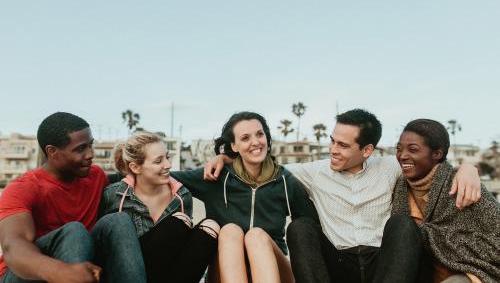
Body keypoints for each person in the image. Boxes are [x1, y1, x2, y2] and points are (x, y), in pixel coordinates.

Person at [205, 108, 481, 283]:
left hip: (381, 264)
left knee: (403, 224)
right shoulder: (313, 171)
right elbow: (260, 163)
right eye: (332, 141)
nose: (333, 150)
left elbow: (431, 164)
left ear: (367, 150)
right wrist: (225, 158)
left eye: (343, 145)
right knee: (300, 227)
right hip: (338, 264)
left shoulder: (389, 166)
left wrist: (467, 169)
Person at [170, 111, 318, 283]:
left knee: (256, 236)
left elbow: (310, 226)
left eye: (260, 134)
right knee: (229, 230)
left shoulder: (285, 181)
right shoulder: (216, 176)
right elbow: (163, 176)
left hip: (273, 271)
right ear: (234, 146)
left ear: (267, 138)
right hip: (225, 271)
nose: (255, 142)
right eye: (245, 138)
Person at [0, 112, 146, 283]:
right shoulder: (23, 188)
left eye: (91, 145)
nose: (90, 154)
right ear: (52, 152)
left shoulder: (96, 176)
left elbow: (139, 182)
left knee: (119, 220)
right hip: (26, 274)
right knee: (74, 231)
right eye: (80, 149)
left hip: (82, 265)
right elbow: (13, 246)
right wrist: (61, 272)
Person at [99, 131, 220, 283]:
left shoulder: (182, 197)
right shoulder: (113, 195)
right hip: (125, 273)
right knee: (179, 221)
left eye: (167, 157)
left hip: (167, 274)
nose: (168, 165)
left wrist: (223, 157)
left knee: (210, 227)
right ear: (135, 167)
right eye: (158, 161)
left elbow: (182, 257)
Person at [392, 119, 500, 283]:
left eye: (413, 149)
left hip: (468, 272)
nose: (402, 155)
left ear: (437, 154)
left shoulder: (463, 186)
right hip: (419, 271)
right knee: (399, 224)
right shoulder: (398, 184)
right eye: (399, 149)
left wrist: (430, 235)